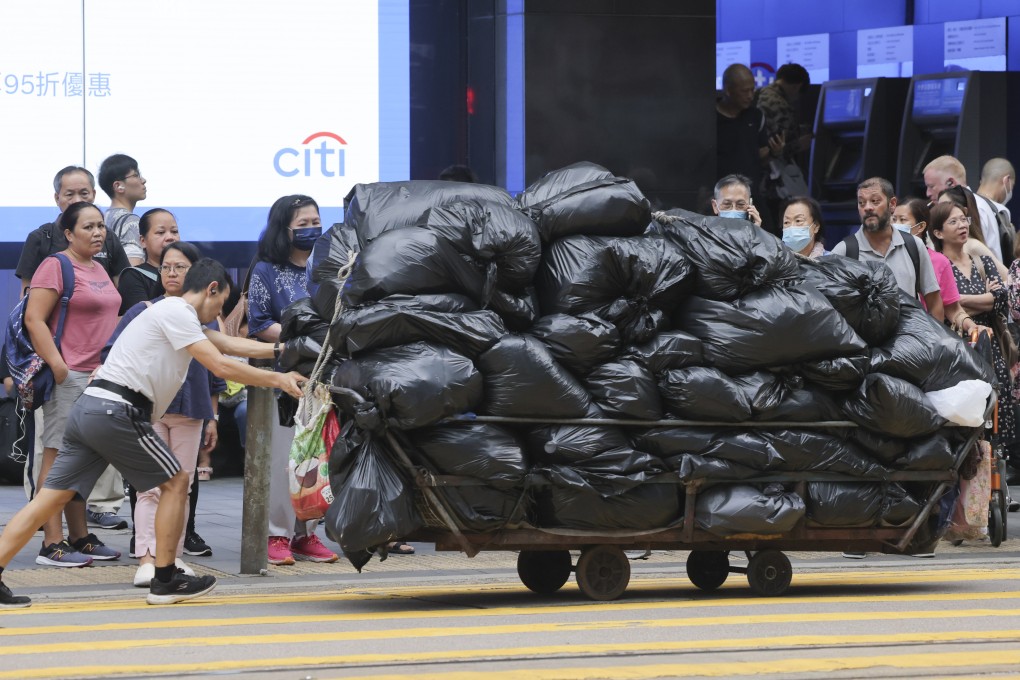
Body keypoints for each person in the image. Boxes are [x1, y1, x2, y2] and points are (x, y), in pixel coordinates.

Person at [0, 258, 307, 608]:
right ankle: (165, 579)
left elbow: (227, 345)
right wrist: (279, 378)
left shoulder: (173, 314)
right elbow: (220, 364)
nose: (217, 312)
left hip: (90, 407)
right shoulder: (178, 313)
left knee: (48, 500)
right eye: (220, 304)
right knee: (177, 482)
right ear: (212, 290)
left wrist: (282, 351)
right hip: (117, 410)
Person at [14, 167, 131, 531]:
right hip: (70, 376)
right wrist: (59, 366)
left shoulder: (97, 267)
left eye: (100, 226)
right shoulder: (55, 264)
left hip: (101, 376)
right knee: (56, 458)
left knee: (86, 459)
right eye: (88, 227)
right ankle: (52, 542)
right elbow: (34, 319)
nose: (98, 233)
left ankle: (79, 537)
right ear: (68, 232)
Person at [102, 243, 224, 586]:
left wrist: (214, 416)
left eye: (180, 267)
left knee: (181, 486)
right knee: (149, 487)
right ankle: (146, 557)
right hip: (150, 408)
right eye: (166, 267)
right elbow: (112, 354)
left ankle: (173, 557)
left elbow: (215, 373)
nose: (171, 273)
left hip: (193, 409)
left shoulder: (206, 316)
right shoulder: (142, 310)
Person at [248, 195, 339, 565]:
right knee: (284, 456)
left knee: (316, 455)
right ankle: (276, 534)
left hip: (324, 375)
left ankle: (307, 533)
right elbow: (258, 324)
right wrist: (299, 343)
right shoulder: (265, 269)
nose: (311, 229)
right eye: (302, 224)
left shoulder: (328, 266)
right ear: (283, 228)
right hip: (283, 374)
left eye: (315, 221)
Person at [929, 201, 1016, 453]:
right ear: (937, 232)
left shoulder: (981, 260)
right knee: (967, 410)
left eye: (963, 219)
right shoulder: (939, 264)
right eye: (953, 222)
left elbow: (1000, 301)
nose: (962, 226)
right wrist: (976, 300)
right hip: (960, 346)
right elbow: (946, 308)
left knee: (997, 407)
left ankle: (995, 467)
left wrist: (959, 300)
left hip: (991, 345)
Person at [830, 177, 942, 319]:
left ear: (892, 204)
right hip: (862, 340)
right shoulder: (844, 251)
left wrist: (932, 339)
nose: (868, 207)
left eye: (875, 201)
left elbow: (934, 301)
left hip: (911, 337)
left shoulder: (913, 246)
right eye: (861, 203)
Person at [893, 198, 976, 335]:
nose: (896, 225)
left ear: (920, 227)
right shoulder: (884, 256)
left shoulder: (939, 261)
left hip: (924, 338)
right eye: (893, 219)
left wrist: (973, 327)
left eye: (902, 220)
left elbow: (953, 309)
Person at [716, 64, 770, 224]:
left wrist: (775, 152)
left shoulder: (756, 116)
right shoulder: (710, 118)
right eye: (744, 91)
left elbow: (762, 154)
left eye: (752, 90)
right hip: (721, 198)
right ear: (728, 90)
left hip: (752, 195)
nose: (750, 96)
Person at [924, 155, 1003, 263]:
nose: (927, 193)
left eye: (931, 186)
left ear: (951, 183)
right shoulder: (980, 204)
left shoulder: (978, 207)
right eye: (953, 221)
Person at [937, 186, 1009, 281]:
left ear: (963, 211)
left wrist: (987, 294)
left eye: (945, 206)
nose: (939, 210)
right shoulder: (936, 244)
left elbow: (1010, 280)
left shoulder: (972, 245)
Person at [117, 209, 180, 314]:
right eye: (160, 232)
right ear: (143, 241)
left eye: (174, 231)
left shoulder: (191, 272)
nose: (170, 237)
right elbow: (140, 321)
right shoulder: (133, 276)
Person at [754, 63, 812, 163]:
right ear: (797, 87)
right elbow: (778, 148)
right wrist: (802, 144)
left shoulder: (762, 92)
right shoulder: (781, 106)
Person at [98, 154, 147, 266]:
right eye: (136, 175)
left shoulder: (102, 218)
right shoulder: (131, 221)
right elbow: (132, 272)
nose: (143, 180)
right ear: (118, 186)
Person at [976, 158, 1016, 267]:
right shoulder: (1001, 211)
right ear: (1006, 180)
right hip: (996, 278)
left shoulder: (967, 203)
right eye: (1012, 185)